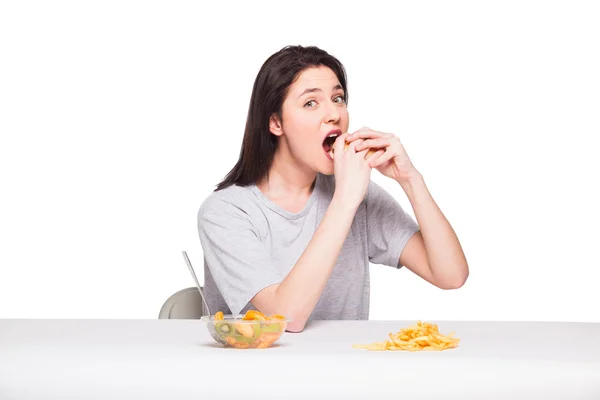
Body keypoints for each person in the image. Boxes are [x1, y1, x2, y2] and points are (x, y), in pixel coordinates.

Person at [197, 45, 468, 332]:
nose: (334, 114)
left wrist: (410, 179)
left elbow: (451, 275)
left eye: (338, 99)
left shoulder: (356, 194)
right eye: (310, 103)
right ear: (276, 123)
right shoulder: (225, 212)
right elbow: (286, 319)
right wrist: (346, 199)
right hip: (257, 372)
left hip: (343, 370)